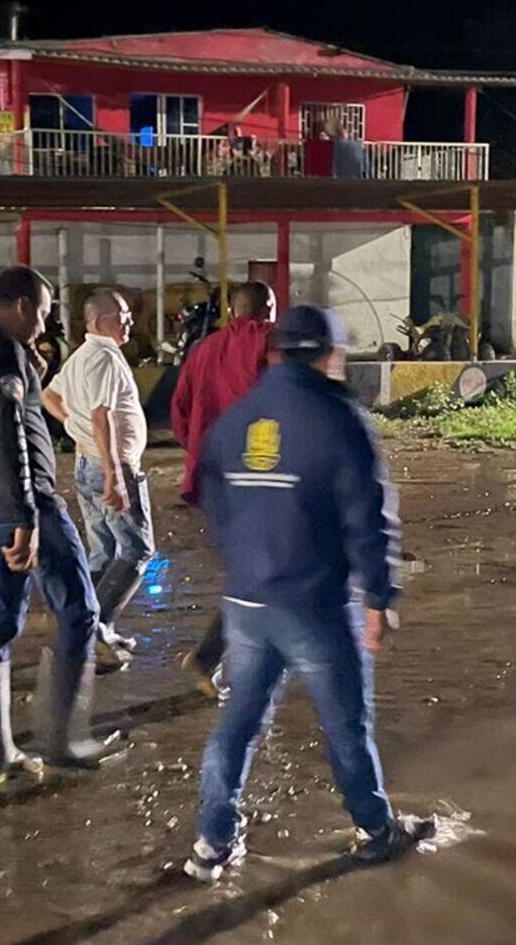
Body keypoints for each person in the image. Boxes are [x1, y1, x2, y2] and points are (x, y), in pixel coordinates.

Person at [185, 304, 436, 882]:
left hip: (246, 605)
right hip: (316, 605)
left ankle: (210, 844)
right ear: (331, 356)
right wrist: (379, 597)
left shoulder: (237, 417)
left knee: (238, 723)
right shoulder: (339, 420)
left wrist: (247, 560)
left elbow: (212, 496)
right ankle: (375, 831)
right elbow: (369, 518)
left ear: (274, 353)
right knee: (346, 726)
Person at [0, 265, 122, 785]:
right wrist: (28, 517)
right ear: (20, 305)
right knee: (81, 612)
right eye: (41, 314)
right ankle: (65, 740)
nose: (43, 326)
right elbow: (11, 436)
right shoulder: (1, 352)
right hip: (27, 506)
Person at [170, 281, 277, 694]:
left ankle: (219, 655)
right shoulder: (271, 344)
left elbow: (179, 412)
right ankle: (208, 657)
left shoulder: (204, 350)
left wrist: (198, 450)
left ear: (232, 312)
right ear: (269, 309)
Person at [45, 288, 155, 667]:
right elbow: (101, 416)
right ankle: (96, 627)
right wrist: (115, 476)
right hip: (110, 467)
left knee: (103, 552)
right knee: (137, 551)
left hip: (87, 464)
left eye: (127, 314)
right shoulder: (105, 358)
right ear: (97, 321)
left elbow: (50, 397)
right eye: (120, 314)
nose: (128, 320)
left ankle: (76, 625)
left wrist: (73, 427)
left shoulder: (80, 358)